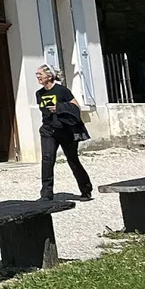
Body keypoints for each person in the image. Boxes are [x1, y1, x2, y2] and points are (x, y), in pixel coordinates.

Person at [36, 65, 93, 201]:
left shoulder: (62, 91)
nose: (38, 77)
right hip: (48, 130)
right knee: (47, 160)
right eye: (36, 74)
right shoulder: (39, 93)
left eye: (40, 74)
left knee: (72, 160)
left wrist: (59, 108)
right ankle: (46, 194)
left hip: (65, 130)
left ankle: (86, 189)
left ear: (49, 76)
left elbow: (76, 108)